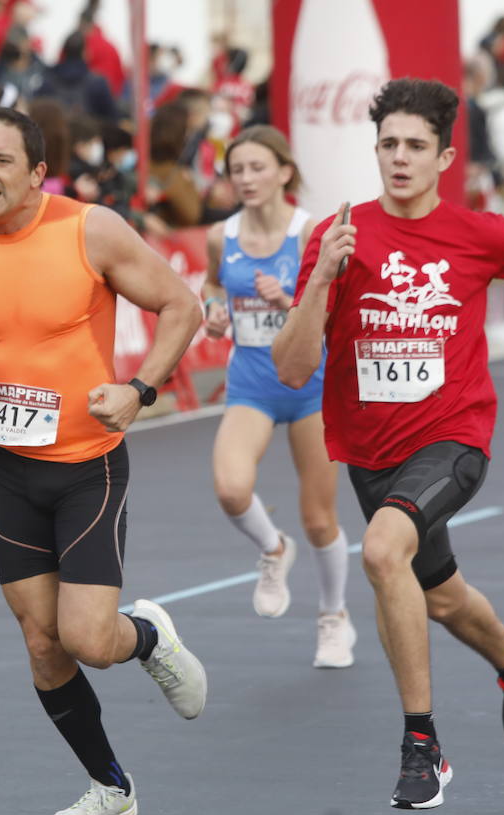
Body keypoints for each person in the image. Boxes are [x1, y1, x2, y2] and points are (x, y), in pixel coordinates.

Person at [0, 107, 207, 815]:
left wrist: (139, 391)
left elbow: (181, 305)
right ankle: (110, 786)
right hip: (6, 467)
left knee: (87, 640)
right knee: (42, 644)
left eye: (2, 160)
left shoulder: (89, 229)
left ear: (38, 173)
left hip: (86, 466)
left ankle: (149, 639)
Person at [272, 78, 504, 810]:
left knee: (379, 551)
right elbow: (294, 367)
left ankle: (422, 746)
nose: (399, 158)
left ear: (444, 156)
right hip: (371, 452)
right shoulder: (338, 237)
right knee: (442, 599)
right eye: (388, 145)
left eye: (415, 146)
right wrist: (321, 283)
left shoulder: (480, 234)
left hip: (454, 438)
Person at [199, 125, 355, 667]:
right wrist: (214, 314)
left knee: (319, 519)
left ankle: (333, 618)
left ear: (284, 171)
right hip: (252, 382)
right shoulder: (223, 235)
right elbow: (213, 286)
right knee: (230, 487)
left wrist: (291, 298)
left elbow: (337, 308)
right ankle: (272, 549)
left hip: (312, 383)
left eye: (257, 167)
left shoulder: (312, 231)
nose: (245, 179)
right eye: (236, 169)